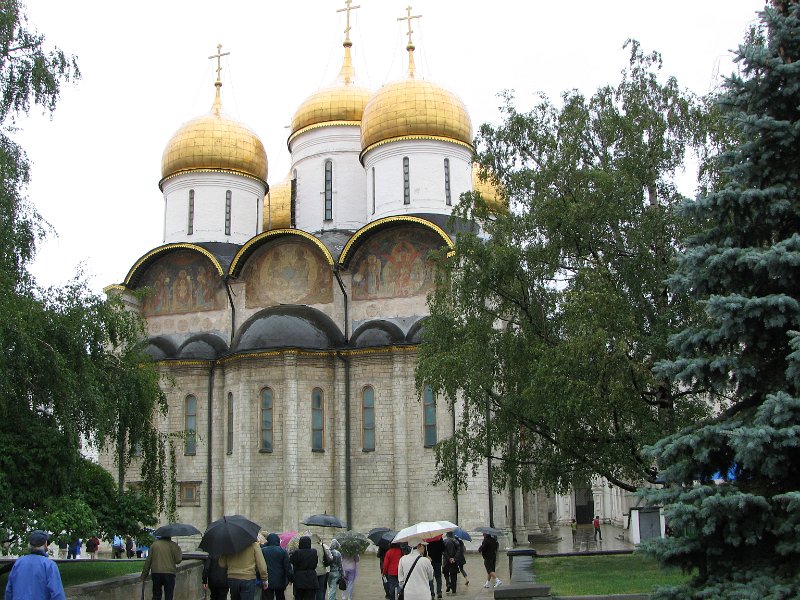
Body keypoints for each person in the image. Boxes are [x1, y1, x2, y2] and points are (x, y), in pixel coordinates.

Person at [4, 530, 66, 600]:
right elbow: (57, 594)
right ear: (45, 544)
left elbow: (9, 590)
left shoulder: (19, 562)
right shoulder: (49, 565)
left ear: (29, 544)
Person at [141, 535, 183, 600]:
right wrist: (178, 550)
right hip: (169, 573)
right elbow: (178, 560)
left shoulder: (154, 545)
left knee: (156, 595)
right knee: (169, 595)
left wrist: (144, 574)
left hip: (156, 573)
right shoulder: (174, 545)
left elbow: (148, 560)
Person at [261, 532, 292, 600]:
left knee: (267, 597)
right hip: (280, 579)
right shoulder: (283, 551)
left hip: (267, 579)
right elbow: (287, 566)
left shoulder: (263, 551)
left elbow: (260, 565)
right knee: (280, 596)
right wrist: (290, 578)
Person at [289, 535, 319, 600]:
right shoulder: (314, 551)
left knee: (299, 597)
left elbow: (292, 561)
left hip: (300, 578)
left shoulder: (297, 552)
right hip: (312, 578)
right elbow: (315, 563)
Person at [310, 534, 330, 600]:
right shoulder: (321, 547)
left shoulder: (310, 547)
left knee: (313, 590)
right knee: (321, 590)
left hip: (313, 571)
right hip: (322, 571)